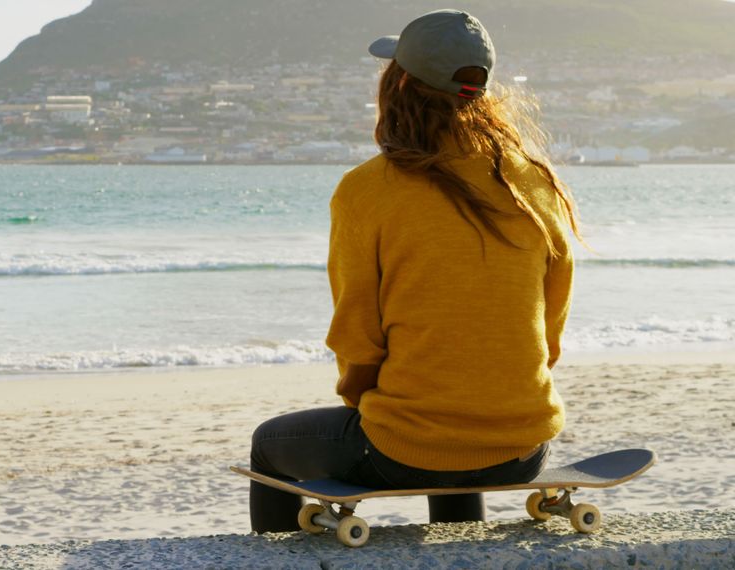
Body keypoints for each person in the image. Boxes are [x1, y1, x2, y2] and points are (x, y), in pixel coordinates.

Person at [248, 9, 585, 532]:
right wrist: (491, 395)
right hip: (524, 447)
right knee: (450, 446)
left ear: (399, 82)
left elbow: (357, 340)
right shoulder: (532, 182)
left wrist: (378, 409)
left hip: (404, 450)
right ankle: (461, 544)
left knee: (268, 448)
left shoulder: (367, 189)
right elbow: (551, 328)